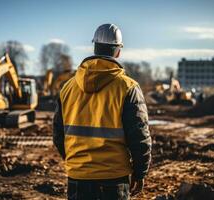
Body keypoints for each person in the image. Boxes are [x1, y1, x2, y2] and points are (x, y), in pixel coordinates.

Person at [53, 23, 152, 200]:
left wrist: (77, 163)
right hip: (113, 179)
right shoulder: (128, 88)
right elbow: (139, 136)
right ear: (118, 51)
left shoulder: (67, 88)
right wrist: (140, 172)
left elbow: (58, 135)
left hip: (77, 178)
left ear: (95, 47)